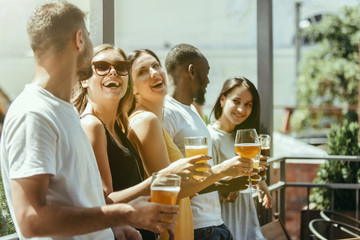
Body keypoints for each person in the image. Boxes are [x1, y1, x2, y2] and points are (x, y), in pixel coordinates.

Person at [0, 2, 179, 239]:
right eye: (90, 38)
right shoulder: (33, 113)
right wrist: (124, 214)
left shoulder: (65, 112)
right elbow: (31, 220)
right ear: (79, 39)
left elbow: (80, 199)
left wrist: (113, 228)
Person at [72, 44, 213, 240]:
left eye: (120, 67)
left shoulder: (119, 128)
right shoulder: (92, 125)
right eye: (102, 66)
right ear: (84, 79)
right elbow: (105, 202)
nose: (112, 71)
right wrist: (164, 177)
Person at [127, 49, 255, 240]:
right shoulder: (147, 121)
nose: (154, 73)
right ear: (133, 88)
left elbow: (180, 184)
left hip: (193, 227)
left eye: (155, 65)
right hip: (180, 231)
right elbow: (166, 188)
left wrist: (218, 182)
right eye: (142, 71)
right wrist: (222, 172)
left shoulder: (164, 116)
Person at [163, 43, 248, 240]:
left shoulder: (191, 110)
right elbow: (166, 178)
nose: (209, 81)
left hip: (214, 223)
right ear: (191, 71)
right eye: (206, 73)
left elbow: (197, 177)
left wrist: (224, 183)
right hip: (197, 227)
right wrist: (224, 172)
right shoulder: (168, 113)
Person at [208, 76, 272, 239]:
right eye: (236, 101)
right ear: (222, 100)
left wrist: (260, 181)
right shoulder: (211, 136)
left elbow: (246, 171)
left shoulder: (244, 137)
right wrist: (234, 185)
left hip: (245, 214)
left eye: (248, 104)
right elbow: (205, 186)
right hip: (224, 218)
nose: (241, 110)